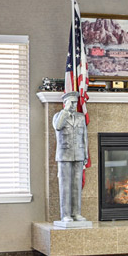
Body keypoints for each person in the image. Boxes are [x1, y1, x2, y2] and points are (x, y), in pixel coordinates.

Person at [53, 91, 89, 223]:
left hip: (78, 154)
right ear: (65, 103)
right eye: (72, 102)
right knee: (65, 186)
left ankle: (76, 213)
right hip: (64, 155)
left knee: (76, 186)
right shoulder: (59, 116)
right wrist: (66, 111)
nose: (74, 105)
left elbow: (84, 137)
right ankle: (65, 215)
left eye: (75, 102)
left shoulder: (80, 117)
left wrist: (85, 154)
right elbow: (58, 126)